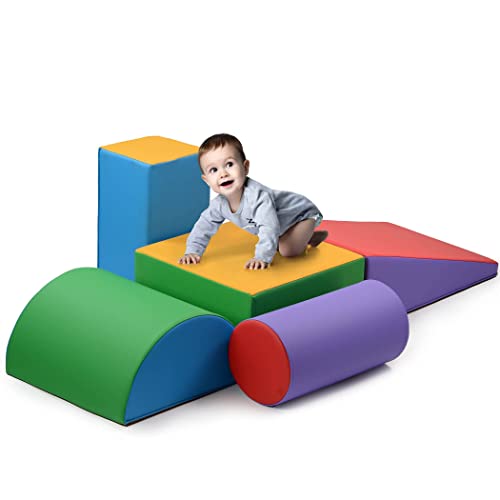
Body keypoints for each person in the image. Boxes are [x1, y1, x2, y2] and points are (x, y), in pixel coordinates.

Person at [178, 133, 328, 270]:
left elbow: (269, 227)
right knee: (279, 243)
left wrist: (261, 257)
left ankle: (308, 234)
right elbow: (203, 226)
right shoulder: (219, 205)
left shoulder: (258, 197)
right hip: (282, 225)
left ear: (245, 167)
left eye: (229, 164)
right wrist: (192, 251)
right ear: (206, 180)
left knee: (288, 251)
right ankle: (305, 237)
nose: (223, 174)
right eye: (214, 170)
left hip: (301, 215)